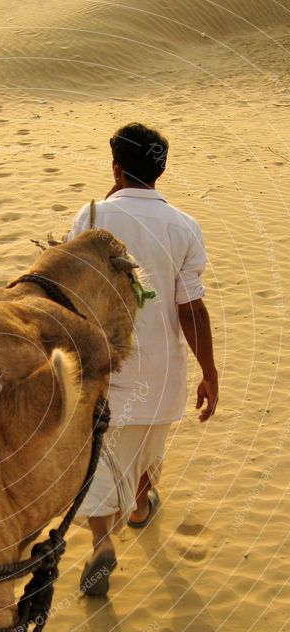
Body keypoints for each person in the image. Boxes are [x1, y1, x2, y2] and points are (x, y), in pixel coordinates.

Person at [65, 122, 218, 596]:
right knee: (149, 447)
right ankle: (138, 508)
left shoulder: (91, 217)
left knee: (102, 457)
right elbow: (191, 309)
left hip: (105, 370)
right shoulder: (184, 226)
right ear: (162, 169)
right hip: (162, 369)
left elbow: (68, 291)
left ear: (115, 166)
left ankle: (101, 544)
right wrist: (210, 374)